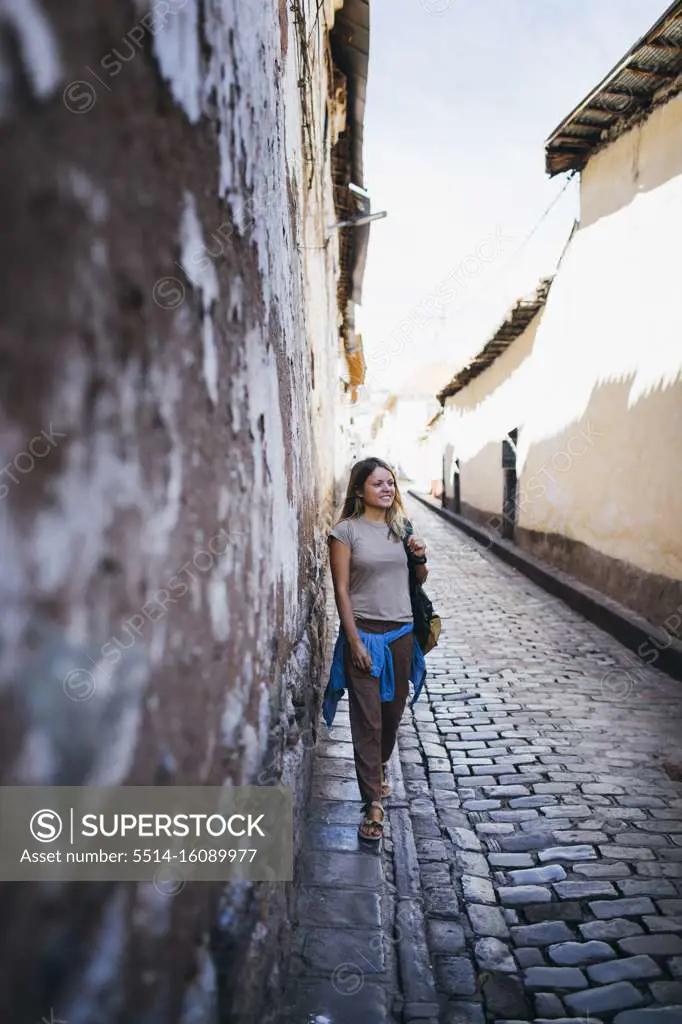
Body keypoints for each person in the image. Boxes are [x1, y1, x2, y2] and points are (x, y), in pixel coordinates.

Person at [325, 457, 428, 841]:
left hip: (401, 634)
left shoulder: (401, 528)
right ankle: (373, 803)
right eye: (378, 484)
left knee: (392, 714)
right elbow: (340, 591)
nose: (387, 489)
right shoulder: (344, 533)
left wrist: (419, 555)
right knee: (367, 720)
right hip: (365, 635)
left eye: (391, 483)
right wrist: (353, 642)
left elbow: (417, 579)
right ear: (359, 490)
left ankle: (380, 766)